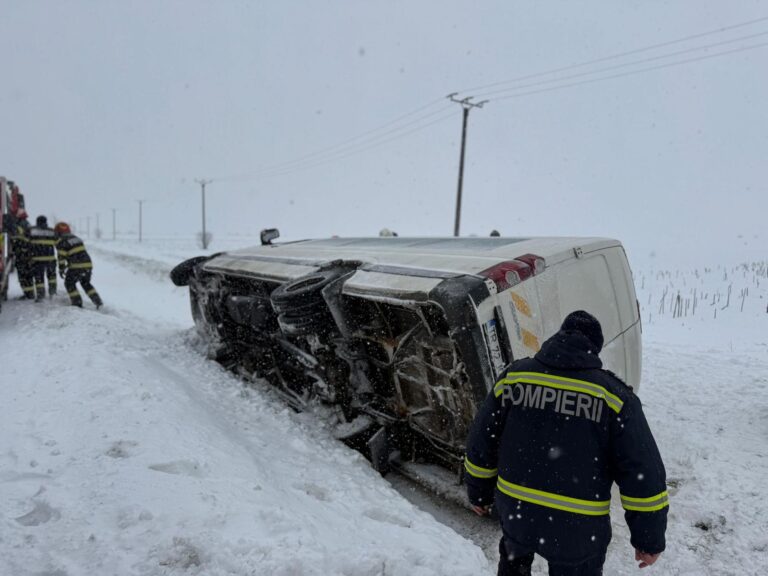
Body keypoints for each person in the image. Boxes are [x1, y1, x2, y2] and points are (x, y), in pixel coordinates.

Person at [464, 310, 668, 575]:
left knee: (513, 564)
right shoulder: (614, 398)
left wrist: (479, 493)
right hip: (578, 528)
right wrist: (648, 540)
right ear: (595, 348)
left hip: (517, 513)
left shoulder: (514, 377)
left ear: (558, 336)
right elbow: (642, 473)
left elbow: (483, 439)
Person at [54, 222, 103, 309]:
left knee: (69, 283)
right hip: (87, 264)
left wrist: (61, 269)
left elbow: (61, 257)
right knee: (85, 283)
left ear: (58, 232)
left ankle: (77, 303)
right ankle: (97, 301)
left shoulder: (61, 241)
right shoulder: (77, 238)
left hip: (76, 265)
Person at [28, 214, 58, 300]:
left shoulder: (32, 230)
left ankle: (40, 295)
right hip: (50, 259)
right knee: (52, 277)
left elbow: (27, 243)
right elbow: (57, 243)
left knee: (39, 278)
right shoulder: (52, 231)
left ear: (37, 222)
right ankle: (52, 293)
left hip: (37, 260)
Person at [10, 210, 35, 299]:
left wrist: (14, 247)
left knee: (22, 275)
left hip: (21, 254)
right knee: (28, 275)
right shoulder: (28, 224)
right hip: (28, 254)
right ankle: (30, 293)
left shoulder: (18, 226)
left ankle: (27, 294)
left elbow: (16, 238)